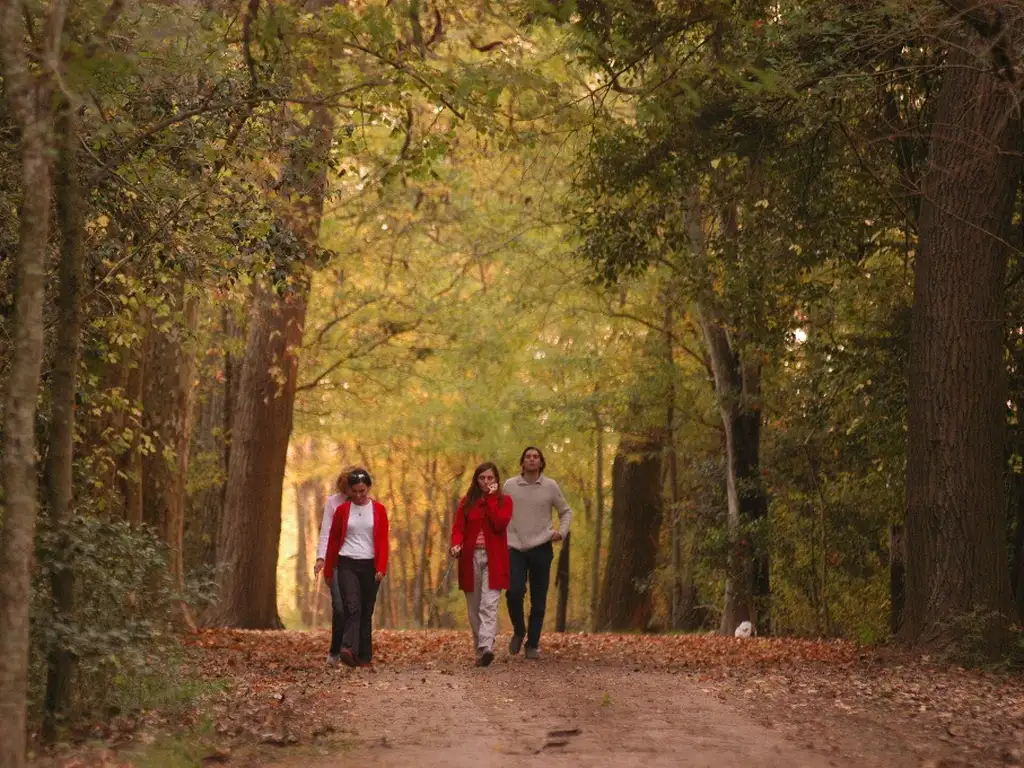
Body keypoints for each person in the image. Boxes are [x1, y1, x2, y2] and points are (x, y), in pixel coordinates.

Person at [503, 446, 572, 660]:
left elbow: (565, 511)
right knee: (514, 592)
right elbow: (498, 512)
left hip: (542, 547)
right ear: (522, 462)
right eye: (527, 457)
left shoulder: (550, 486)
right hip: (515, 547)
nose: (531, 460)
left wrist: (561, 532)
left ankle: (532, 644)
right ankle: (519, 630)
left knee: (539, 599)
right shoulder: (509, 486)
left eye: (535, 457)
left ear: (541, 463)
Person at [323, 468, 390, 668]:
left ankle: (364, 657)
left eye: (363, 491)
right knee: (352, 607)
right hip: (347, 563)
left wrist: (381, 568)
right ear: (349, 491)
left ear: (368, 488)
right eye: (355, 492)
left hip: (370, 564)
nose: (359, 496)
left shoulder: (379, 510)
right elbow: (333, 541)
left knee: (366, 610)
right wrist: (328, 568)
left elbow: (383, 541)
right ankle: (347, 648)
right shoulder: (342, 511)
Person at [449, 462, 513, 667]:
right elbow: (458, 528)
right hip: (470, 558)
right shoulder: (467, 502)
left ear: (496, 480)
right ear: (476, 480)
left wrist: (492, 498)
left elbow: (499, 523)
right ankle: (480, 650)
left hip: (495, 559)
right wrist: (456, 545)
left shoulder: (505, 501)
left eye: (490, 478)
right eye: (482, 478)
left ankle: (486, 646)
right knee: (474, 608)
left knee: (489, 604)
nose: (486, 482)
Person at [314, 465, 358, 665]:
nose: (351, 493)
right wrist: (320, 558)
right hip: (336, 561)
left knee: (353, 607)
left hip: (357, 561)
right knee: (339, 608)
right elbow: (326, 532)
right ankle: (334, 651)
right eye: (348, 489)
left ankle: (348, 650)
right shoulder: (333, 502)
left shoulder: (366, 503)